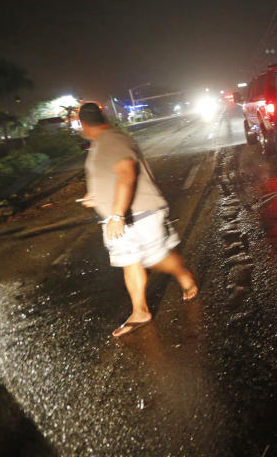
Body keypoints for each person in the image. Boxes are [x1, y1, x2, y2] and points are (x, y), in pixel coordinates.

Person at [77, 103, 197, 338]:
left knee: (154, 259)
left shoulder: (111, 140)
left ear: (83, 125)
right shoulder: (103, 142)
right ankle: (140, 312)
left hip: (139, 213)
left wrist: (117, 214)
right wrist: (97, 197)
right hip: (118, 217)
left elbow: (127, 172)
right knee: (129, 262)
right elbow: (112, 176)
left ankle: (183, 274)